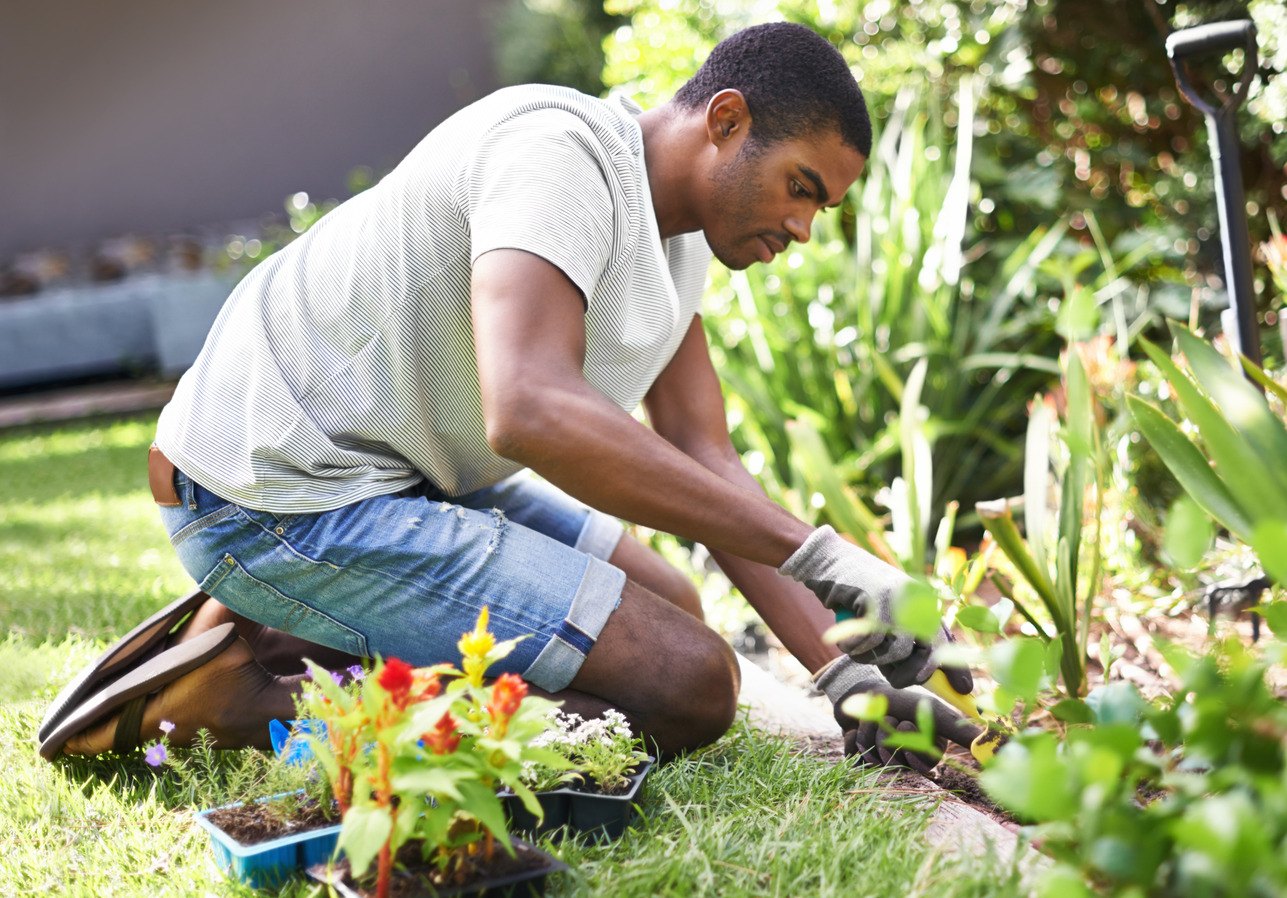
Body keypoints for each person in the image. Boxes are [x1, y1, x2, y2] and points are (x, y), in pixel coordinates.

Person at [37, 22, 978, 769]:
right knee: (690, 684)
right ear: (725, 120)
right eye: (799, 187)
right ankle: (249, 701)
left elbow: (705, 454)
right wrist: (821, 554)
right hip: (275, 495)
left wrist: (845, 670)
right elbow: (527, 407)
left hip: (404, 475)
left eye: (822, 205)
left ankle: (283, 632)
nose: (804, 226)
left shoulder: (679, 241)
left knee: (672, 602)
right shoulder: (558, 154)